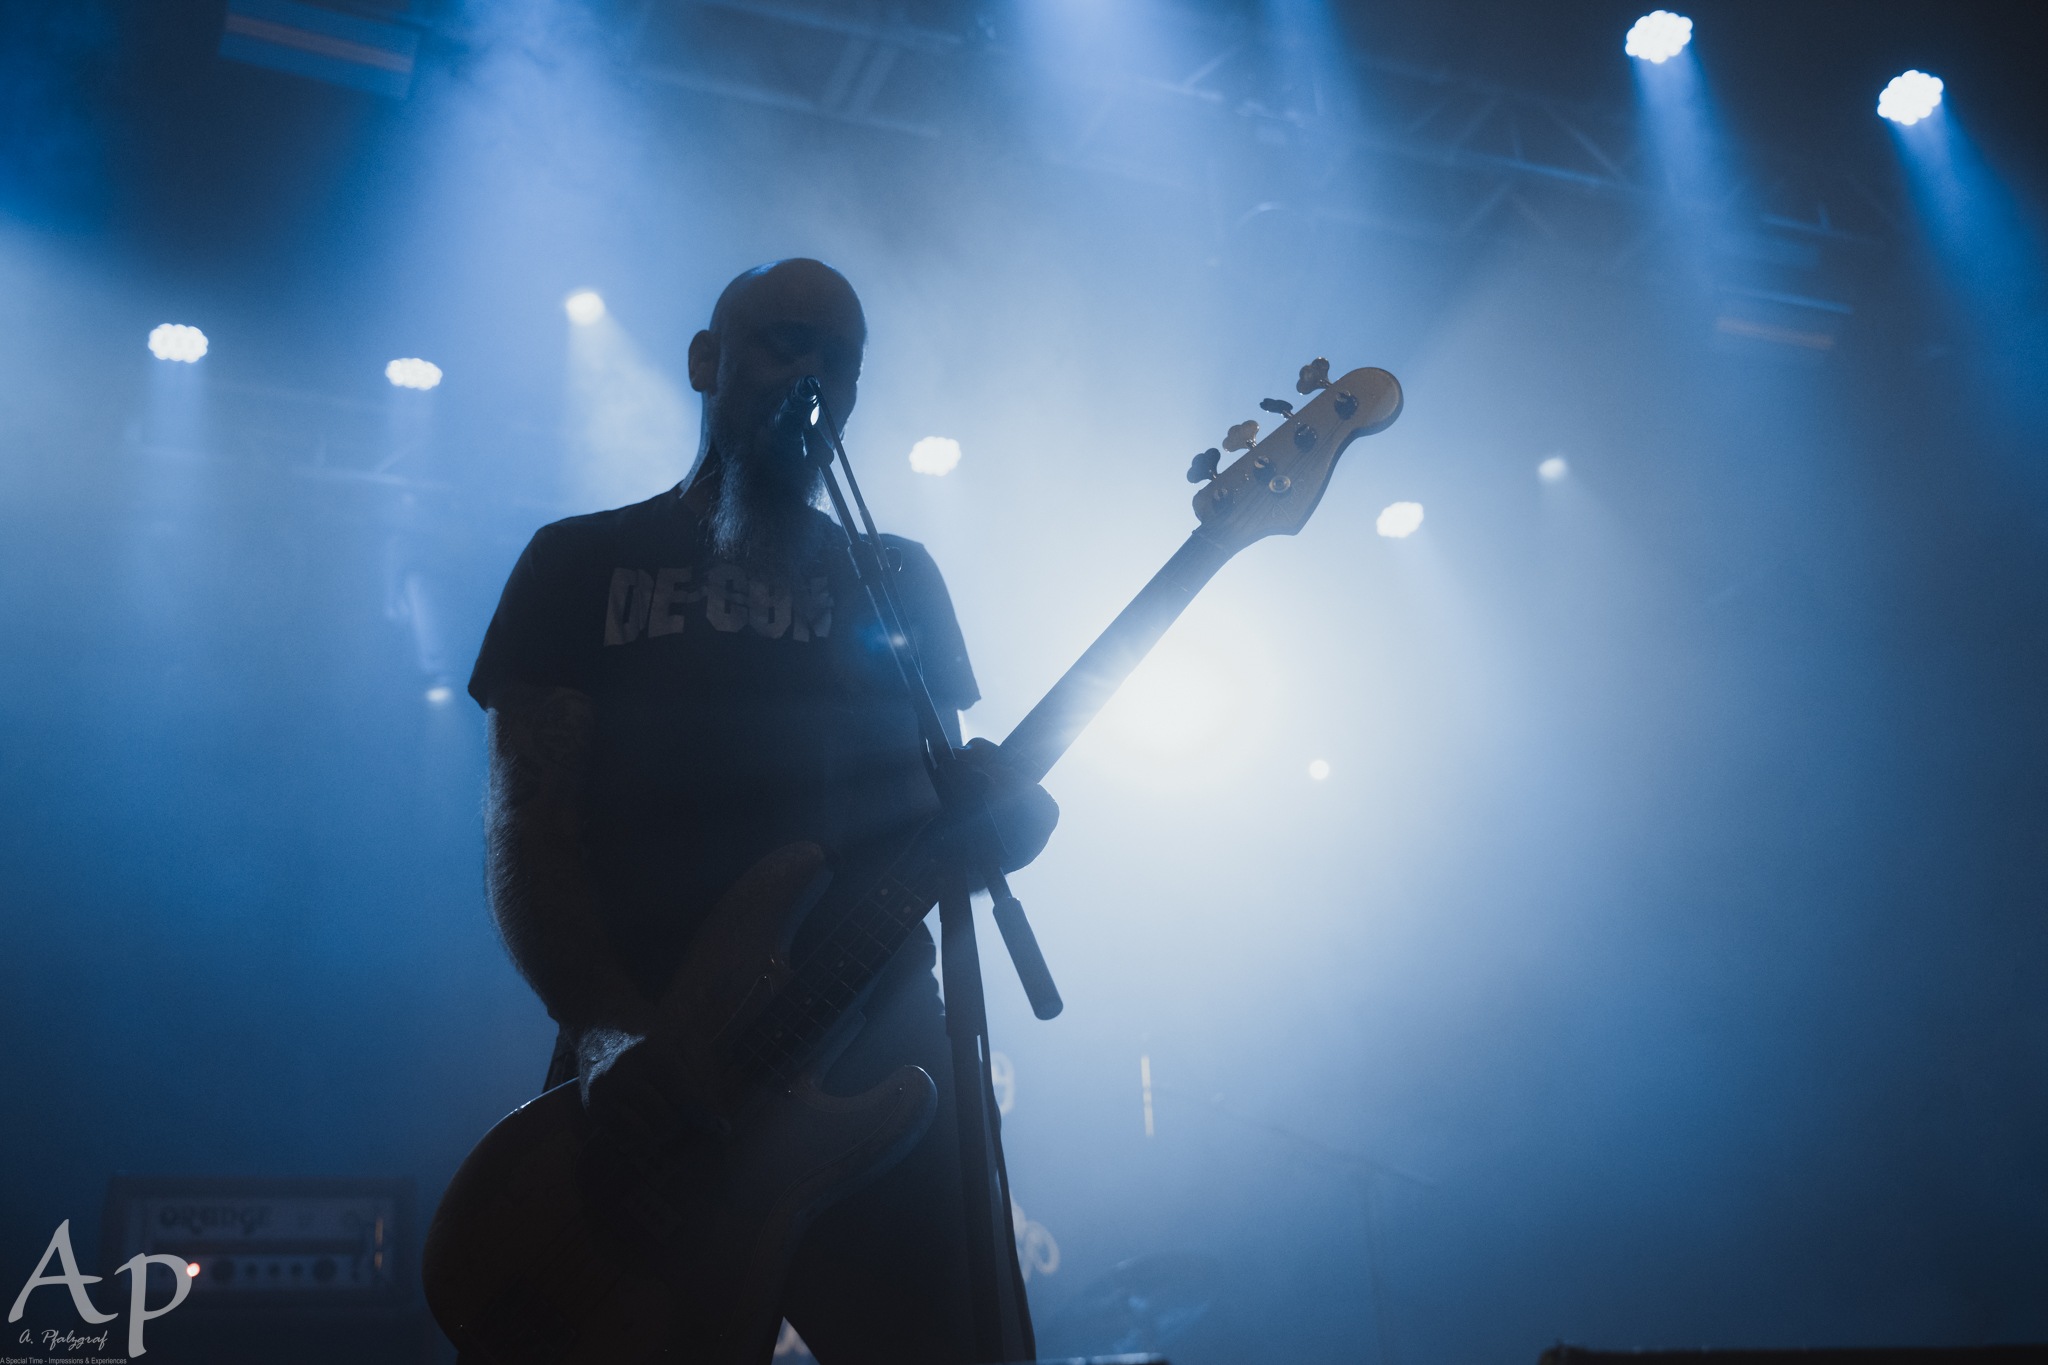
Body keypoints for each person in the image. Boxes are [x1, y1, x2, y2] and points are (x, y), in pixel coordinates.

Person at [465, 258, 1056, 1365]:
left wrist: (1008, 822)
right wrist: (610, 1037)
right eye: (785, 342)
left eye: (841, 360)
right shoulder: (581, 563)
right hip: (656, 1082)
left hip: (881, 1051)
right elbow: (527, 836)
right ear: (707, 361)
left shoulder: (897, 576)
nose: (813, 377)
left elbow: (940, 813)